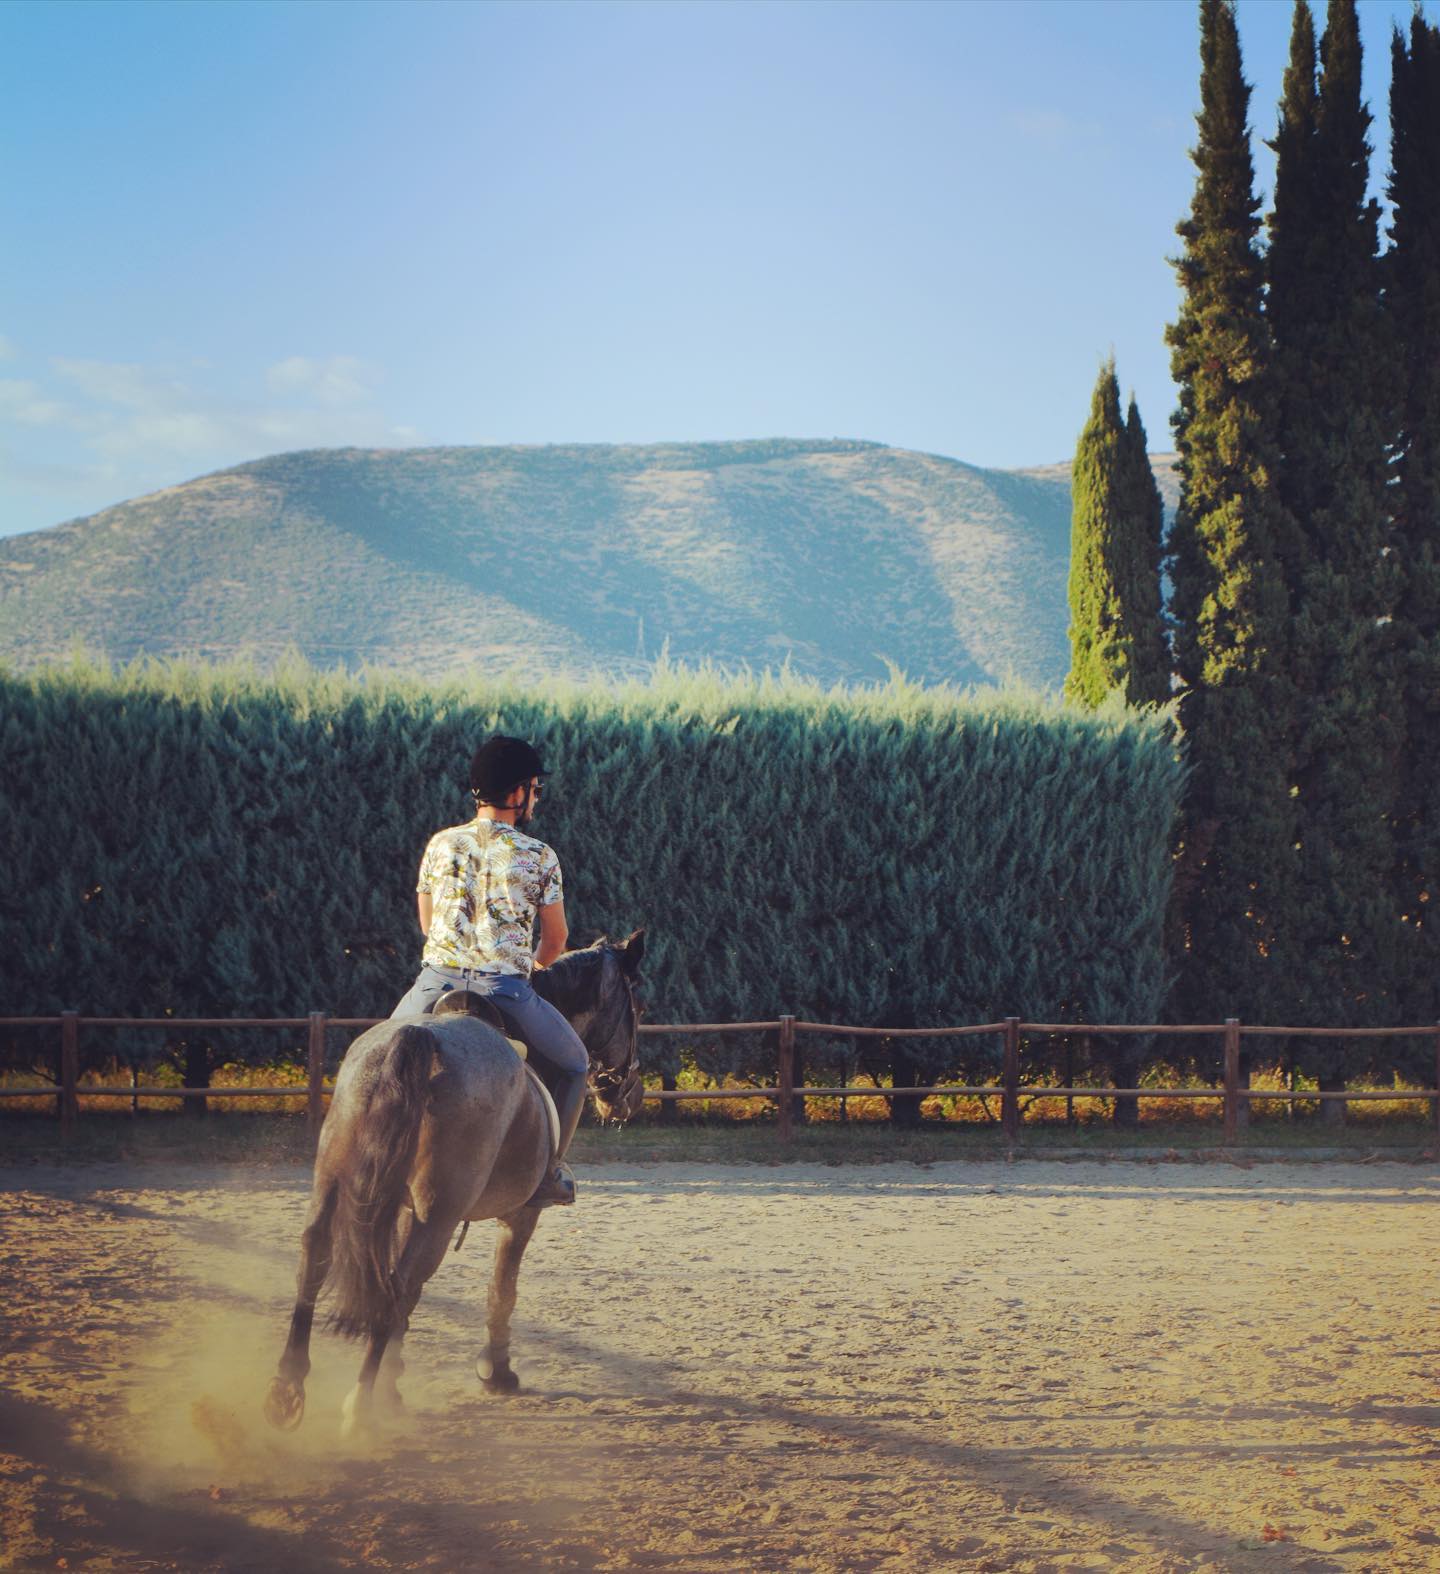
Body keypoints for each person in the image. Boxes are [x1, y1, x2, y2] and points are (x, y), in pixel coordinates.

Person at [391, 734, 587, 1208]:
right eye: (535, 789)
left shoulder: (440, 845)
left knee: (376, 1061)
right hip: (504, 989)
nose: (535, 798)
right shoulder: (540, 855)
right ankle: (547, 1172)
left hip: (435, 979)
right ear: (518, 792)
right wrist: (533, 965)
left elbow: (426, 922)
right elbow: (556, 941)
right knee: (575, 1065)